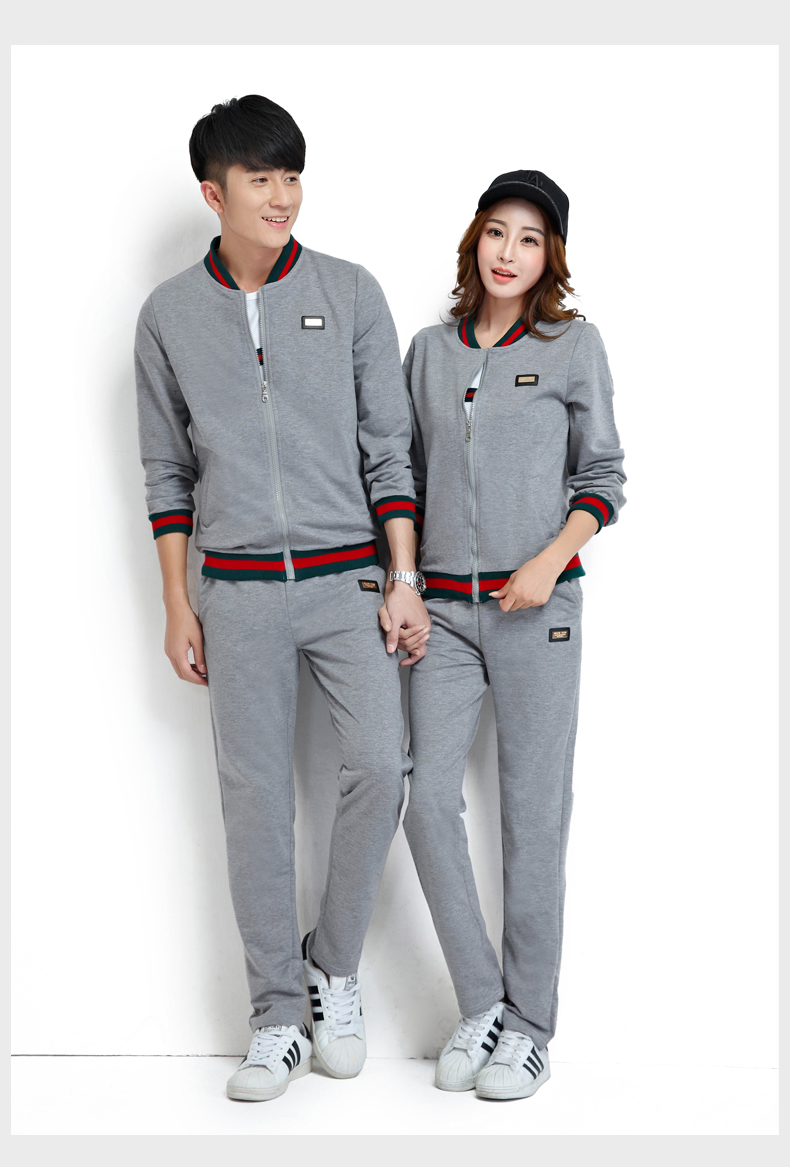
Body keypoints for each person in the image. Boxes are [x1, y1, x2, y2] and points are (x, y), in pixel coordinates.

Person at [135, 95, 430, 1102]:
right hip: (238, 593)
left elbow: (388, 450)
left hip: (350, 582)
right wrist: (177, 604)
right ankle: (273, 1018)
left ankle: (330, 965)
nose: (281, 196)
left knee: (381, 765)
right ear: (212, 193)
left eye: (291, 175)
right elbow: (166, 472)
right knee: (254, 801)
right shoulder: (169, 315)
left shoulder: (349, 291)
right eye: (259, 178)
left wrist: (401, 578)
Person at [390, 171, 626, 1100]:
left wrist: (546, 562)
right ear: (475, 239)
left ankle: (530, 1027)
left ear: (549, 256)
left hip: (541, 612)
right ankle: (483, 1000)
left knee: (534, 818)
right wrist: (405, 583)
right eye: (497, 231)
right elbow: (402, 478)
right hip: (444, 616)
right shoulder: (427, 352)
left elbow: (603, 477)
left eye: (530, 239)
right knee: (423, 799)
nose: (509, 252)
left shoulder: (573, 346)